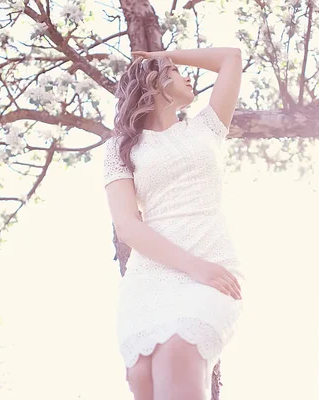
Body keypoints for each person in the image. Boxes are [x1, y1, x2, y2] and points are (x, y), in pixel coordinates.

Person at [102, 47, 245, 400]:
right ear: (154, 82)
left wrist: (164, 54)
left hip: (212, 263)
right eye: (174, 71)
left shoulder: (207, 127)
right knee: (143, 376)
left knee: (179, 351)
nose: (187, 75)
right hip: (150, 279)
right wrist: (191, 267)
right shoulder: (120, 148)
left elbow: (231, 58)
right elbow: (127, 227)